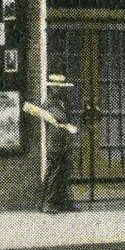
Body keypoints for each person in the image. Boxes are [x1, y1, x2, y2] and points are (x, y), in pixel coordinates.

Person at [22, 75, 80, 212]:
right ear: (51, 88)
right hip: (55, 142)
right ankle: (49, 203)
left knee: (64, 171)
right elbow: (59, 119)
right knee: (54, 172)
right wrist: (65, 125)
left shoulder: (63, 102)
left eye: (61, 87)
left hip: (64, 141)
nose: (59, 89)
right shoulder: (49, 103)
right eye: (56, 87)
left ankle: (63, 202)